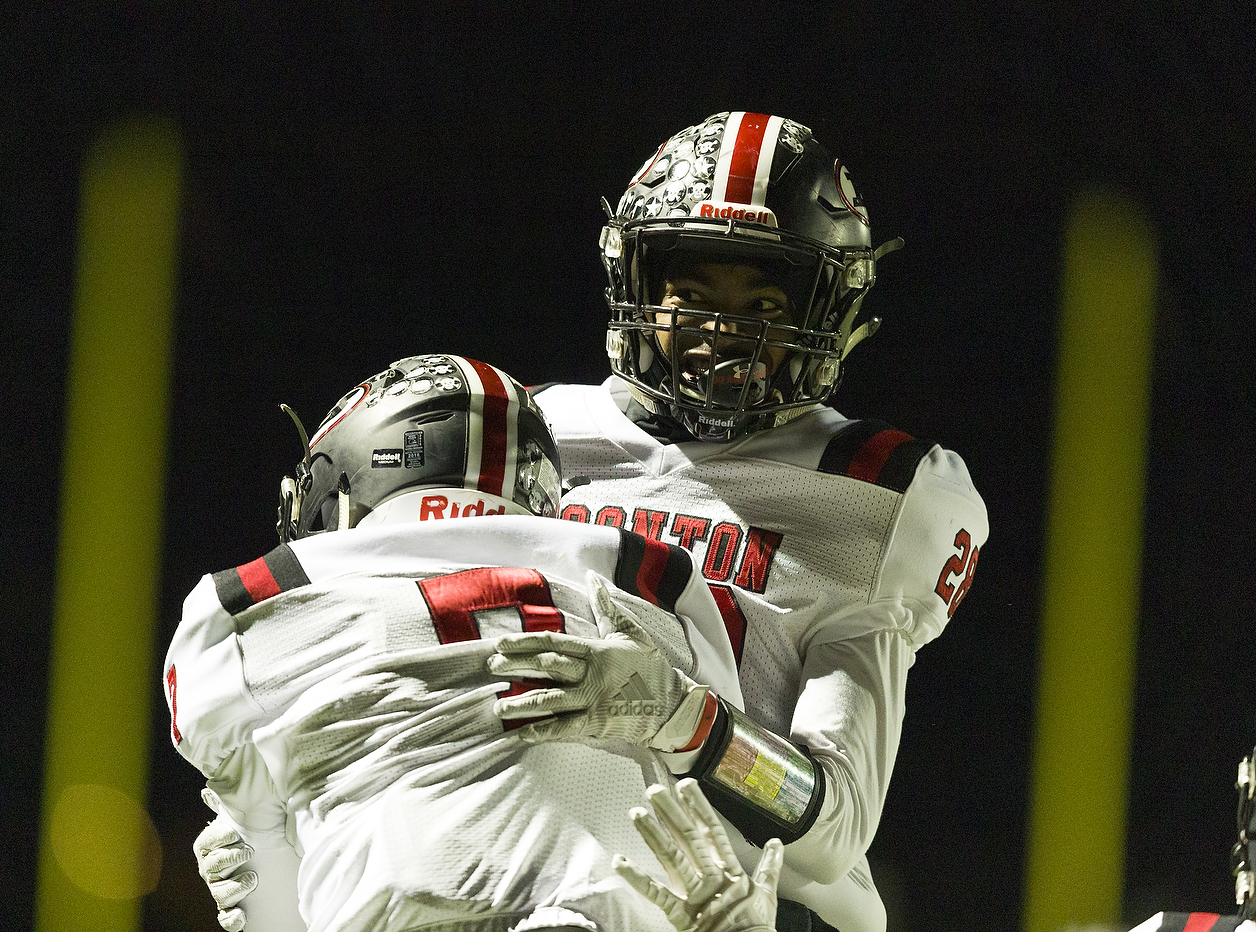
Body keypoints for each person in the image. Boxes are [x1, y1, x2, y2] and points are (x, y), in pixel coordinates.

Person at [488, 111, 989, 931]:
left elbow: (830, 827)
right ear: (641, 286)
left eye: (763, 299)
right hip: (538, 881)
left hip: (750, 907)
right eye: (694, 294)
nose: (725, 331)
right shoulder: (528, 432)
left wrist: (679, 715)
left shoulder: (874, 490)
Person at [166, 354, 746, 932]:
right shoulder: (652, 580)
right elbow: (756, 799)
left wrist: (263, 839)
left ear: (345, 482)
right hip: (610, 908)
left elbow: (272, 888)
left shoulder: (250, 605)